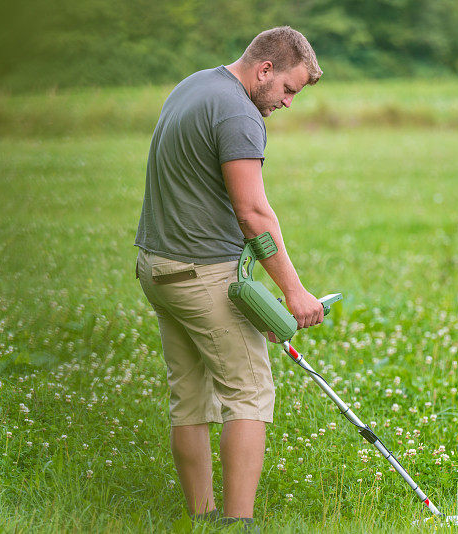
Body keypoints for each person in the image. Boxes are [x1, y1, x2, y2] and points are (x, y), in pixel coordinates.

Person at [134, 26, 324, 529]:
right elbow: (253, 212)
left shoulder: (195, 85)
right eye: (288, 89)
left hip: (159, 268)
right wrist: (293, 292)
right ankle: (237, 524)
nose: (287, 103)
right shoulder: (239, 112)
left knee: (190, 396)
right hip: (201, 274)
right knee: (249, 392)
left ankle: (201, 516)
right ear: (265, 69)